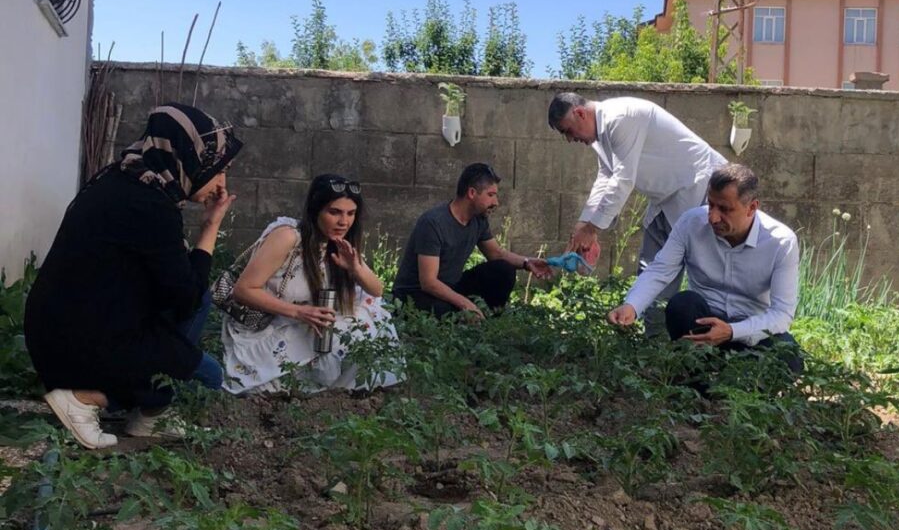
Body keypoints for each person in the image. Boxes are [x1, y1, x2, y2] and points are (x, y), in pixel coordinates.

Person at [25, 103, 242, 449]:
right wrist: (210, 228)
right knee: (211, 376)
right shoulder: (150, 205)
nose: (221, 184)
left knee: (190, 319)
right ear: (188, 157)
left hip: (58, 332)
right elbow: (184, 296)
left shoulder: (120, 180)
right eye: (217, 170)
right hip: (77, 343)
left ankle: (147, 411)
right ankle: (88, 397)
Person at [548, 92, 729, 332]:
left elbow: (623, 179)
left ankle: (723, 338)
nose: (570, 139)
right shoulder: (600, 136)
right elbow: (607, 176)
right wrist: (584, 223)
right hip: (665, 198)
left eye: (567, 131)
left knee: (707, 273)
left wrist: (593, 228)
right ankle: (652, 341)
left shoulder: (621, 117)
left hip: (699, 188)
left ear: (580, 113)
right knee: (652, 267)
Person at [607, 164, 804, 374]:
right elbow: (660, 270)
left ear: (752, 208)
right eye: (711, 205)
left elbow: (782, 314)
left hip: (750, 331)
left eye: (725, 209)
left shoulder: (781, 242)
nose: (713, 217)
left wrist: (731, 331)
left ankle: (729, 381)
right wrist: (632, 306)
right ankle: (695, 379)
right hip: (700, 325)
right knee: (682, 304)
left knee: (789, 357)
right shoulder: (691, 222)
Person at [221, 174, 403, 393]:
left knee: (371, 315)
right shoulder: (288, 236)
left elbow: (377, 290)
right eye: (334, 212)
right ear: (316, 210)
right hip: (270, 323)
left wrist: (355, 268)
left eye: (350, 213)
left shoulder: (339, 243)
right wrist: (299, 312)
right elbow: (243, 290)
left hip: (309, 324)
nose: (343, 221)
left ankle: (345, 391)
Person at [393, 163, 552, 318]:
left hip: (450, 287)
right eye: (490, 195)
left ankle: (488, 320)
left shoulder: (478, 220)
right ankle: (467, 317)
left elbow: (496, 254)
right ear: (471, 193)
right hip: (415, 294)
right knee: (444, 310)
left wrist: (527, 262)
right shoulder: (433, 223)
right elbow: (428, 282)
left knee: (504, 269)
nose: (496, 203)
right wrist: (466, 304)